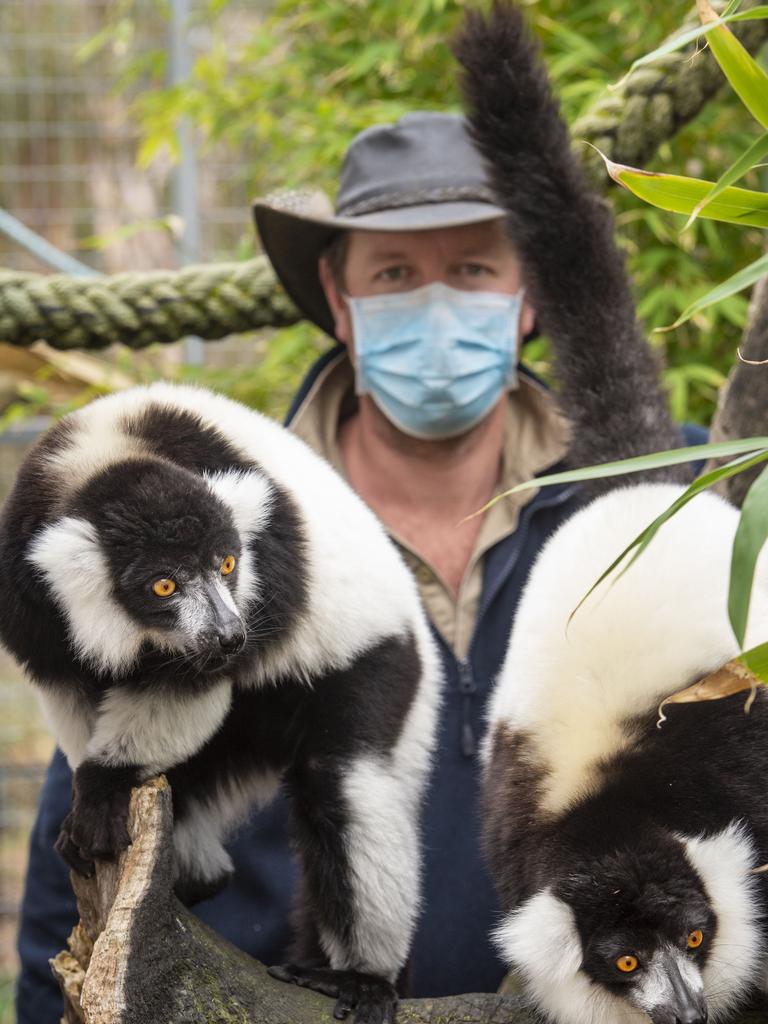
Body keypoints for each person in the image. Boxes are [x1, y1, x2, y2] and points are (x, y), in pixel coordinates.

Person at [14, 111, 701, 1022]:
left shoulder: (663, 503)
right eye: (394, 275)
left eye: (471, 270)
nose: (435, 303)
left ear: (527, 296)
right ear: (342, 303)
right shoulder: (186, 519)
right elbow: (83, 868)